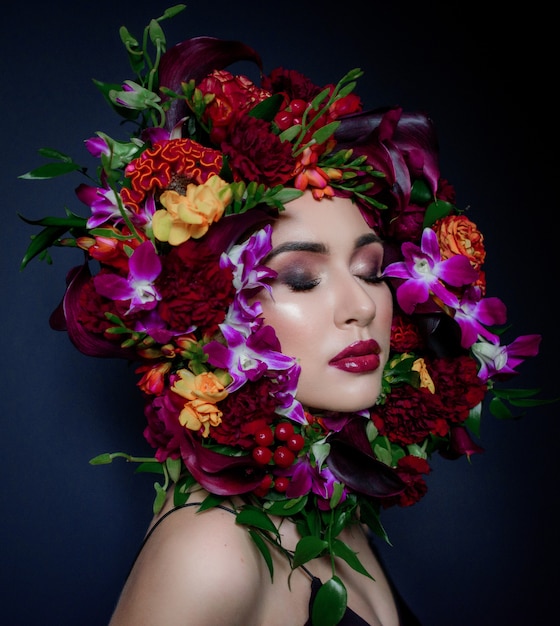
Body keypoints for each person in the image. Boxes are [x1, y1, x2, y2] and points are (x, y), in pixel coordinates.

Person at [19, 5, 544, 625]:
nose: (360, 307)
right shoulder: (209, 551)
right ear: (212, 309)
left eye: (372, 270)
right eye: (301, 278)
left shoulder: (331, 512)